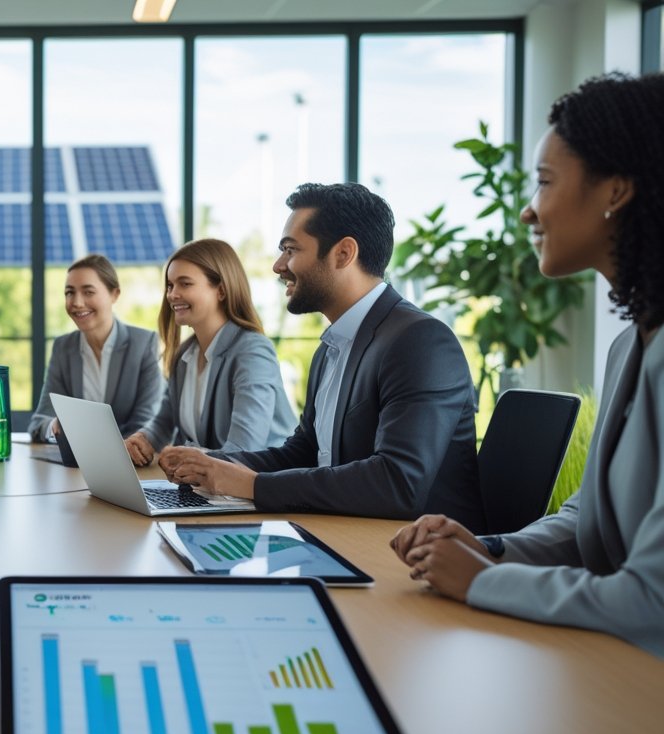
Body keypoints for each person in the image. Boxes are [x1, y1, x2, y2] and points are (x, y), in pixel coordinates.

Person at [392, 73, 664, 657]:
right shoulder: (630, 345)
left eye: (543, 183)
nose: (527, 213)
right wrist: (488, 550)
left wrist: (486, 582)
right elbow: (589, 514)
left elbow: (654, 602)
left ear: (615, 191)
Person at [160, 183, 484, 530]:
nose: (277, 265)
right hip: (346, 532)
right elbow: (302, 452)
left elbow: (397, 483)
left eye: (290, 250)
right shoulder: (333, 346)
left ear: (343, 253)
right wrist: (212, 465)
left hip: (413, 555)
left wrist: (249, 485)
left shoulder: (419, 341)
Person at [121, 239, 296, 465]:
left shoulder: (252, 352)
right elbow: (164, 422)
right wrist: (143, 440)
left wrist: (187, 458)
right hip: (211, 491)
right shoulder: (185, 355)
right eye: (170, 285)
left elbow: (245, 450)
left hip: (263, 489)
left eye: (185, 284)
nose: (173, 294)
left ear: (221, 290)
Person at [27, 254, 162, 443]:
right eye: (69, 292)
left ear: (114, 294)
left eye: (88, 292)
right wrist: (55, 426)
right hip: (74, 466)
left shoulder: (144, 344)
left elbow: (146, 424)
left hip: (130, 464)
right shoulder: (63, 348)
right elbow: (38, 423)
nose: (77, 302)